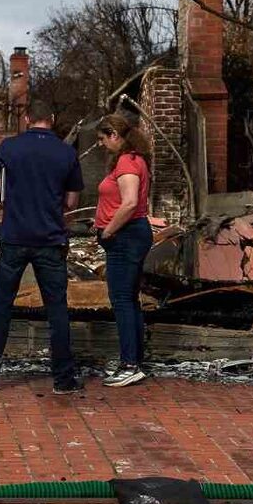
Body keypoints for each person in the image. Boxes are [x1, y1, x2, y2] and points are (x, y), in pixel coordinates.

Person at [0, 98, 85, 394]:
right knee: (57, 309)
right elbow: (72, 201)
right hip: (50, 239)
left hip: (15, 237)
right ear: (53, 117)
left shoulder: (9, 148)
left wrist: (15, 201)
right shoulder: (66, 152)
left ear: (26, 119)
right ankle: (63, 379)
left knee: (1, 307)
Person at [94, 113, 154, 387]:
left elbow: (129, 203)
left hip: (125, 237)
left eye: (103, 138)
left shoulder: (127, 162)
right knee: (129, 299)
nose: (101, 144)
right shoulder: (134, 160)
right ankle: (132, 360)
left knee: (121, 300)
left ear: (115, 135)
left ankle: (130, 364)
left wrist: (108, 230)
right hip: (130, 235)